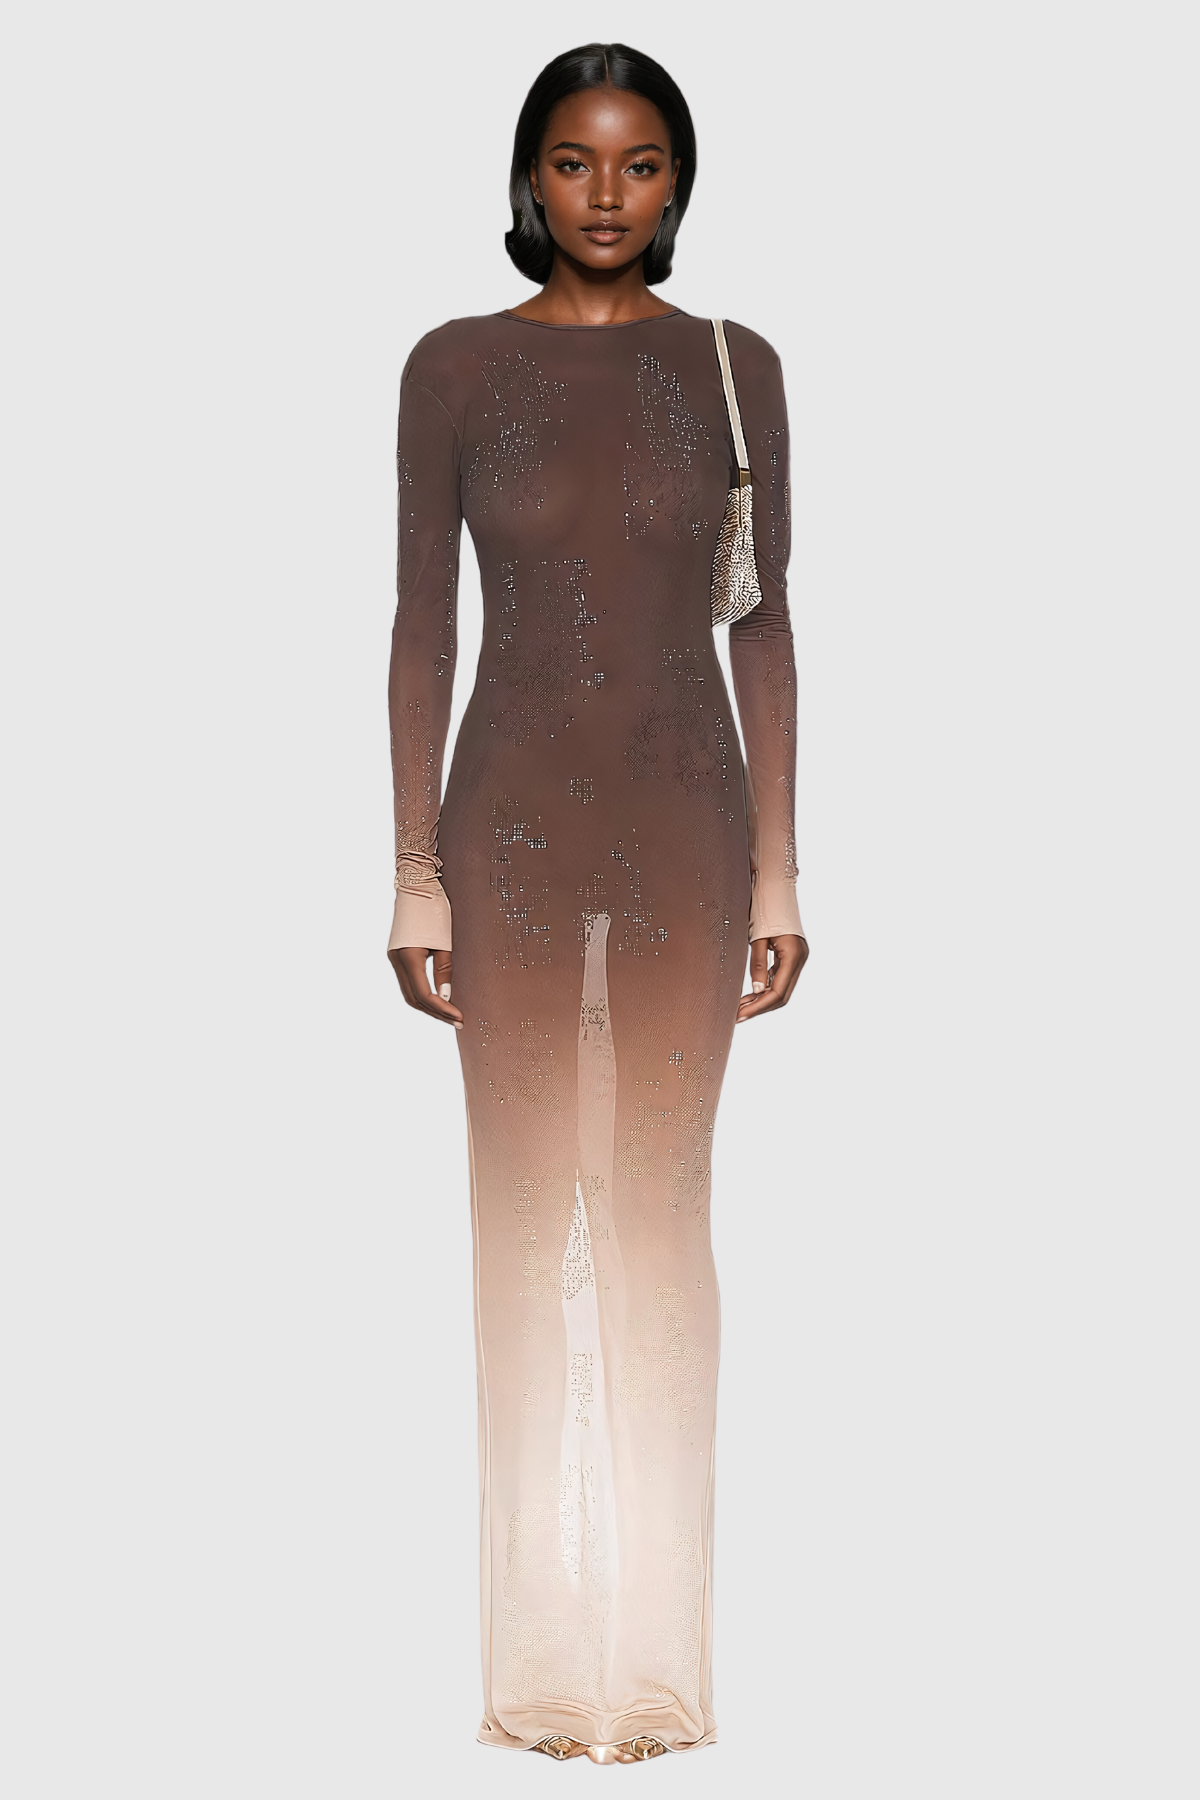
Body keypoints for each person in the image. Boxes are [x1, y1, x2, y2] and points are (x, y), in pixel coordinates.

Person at [387, 42, 807, 1763]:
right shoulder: (452, 366)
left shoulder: (732, 368)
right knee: (520, 1225)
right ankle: (542, 1674)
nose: (607, 195)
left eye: (639, 165)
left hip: (689, 838)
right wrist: (412, 874)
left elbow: (761, 622)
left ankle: (656, 1672)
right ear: (529, 178)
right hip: (502, 841)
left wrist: (781, 860)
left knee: (657, 1223)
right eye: (574, 162)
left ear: (679, 182)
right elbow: (423, 624)